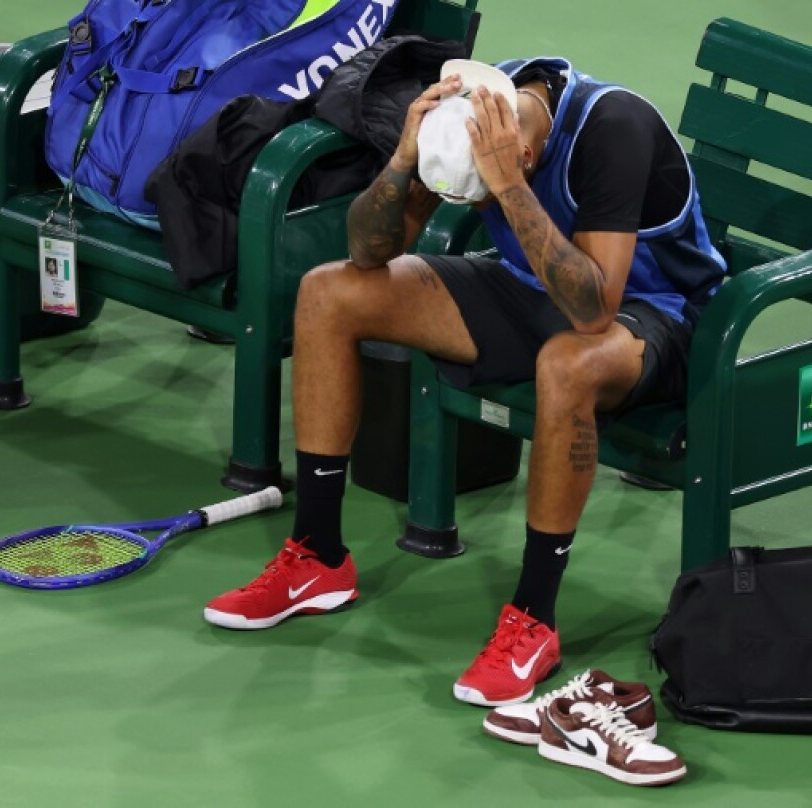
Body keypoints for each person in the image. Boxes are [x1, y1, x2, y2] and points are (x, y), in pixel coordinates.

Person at [202, 57, 727, 708]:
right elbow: (370, 250)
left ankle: (534, 619)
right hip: (529, 291)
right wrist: (401, 160)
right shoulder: (464, 111)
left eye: (479, 194)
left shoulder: (612, 128)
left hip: (655, 319)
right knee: (328, 292)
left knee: (567, 361)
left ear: (525, 153)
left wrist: (507, 188)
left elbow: (593, 309)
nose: (475, 205)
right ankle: (317, 557)